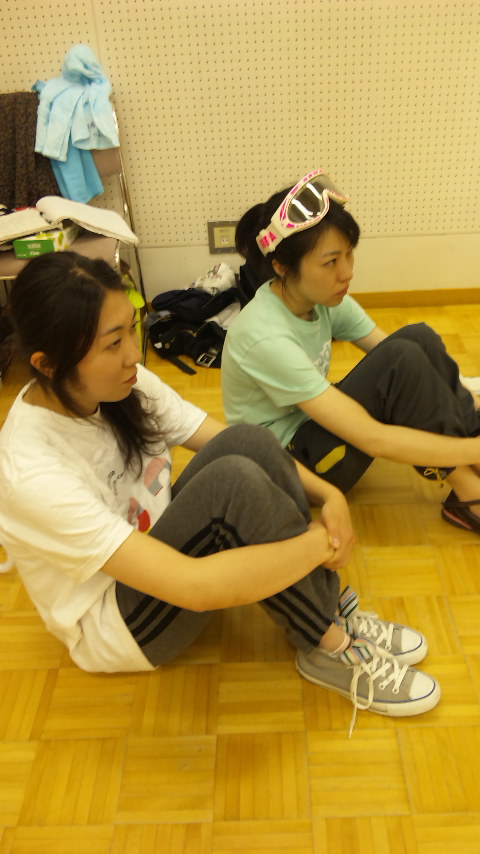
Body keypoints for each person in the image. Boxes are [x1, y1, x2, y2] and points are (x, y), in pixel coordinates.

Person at [0, 251, 440, 735]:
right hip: (121, 624)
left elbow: (224, 438)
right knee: (235, 481)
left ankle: (326, 609)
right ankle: (329, 645)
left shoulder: (122, 385)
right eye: (112, 343)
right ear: (47, 364)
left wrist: (330, 496)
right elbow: (195, 588)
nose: (134, 354)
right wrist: (318, 544)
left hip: (159, 550)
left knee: (247, 441)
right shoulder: (30, 473)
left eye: (130, 329)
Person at [221, 169, 480, 534]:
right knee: (401, 360)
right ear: (282, 266)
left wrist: (469, 401)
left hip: (314, 432)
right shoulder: (263, 336)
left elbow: (411, 359)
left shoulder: (322, 297)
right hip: (291, 468)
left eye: (348, 255)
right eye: (331, 261)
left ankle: (473, 458)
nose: (346, 272)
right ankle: (469, 494)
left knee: (417, 339)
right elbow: (374, 438)